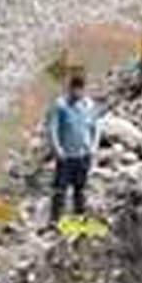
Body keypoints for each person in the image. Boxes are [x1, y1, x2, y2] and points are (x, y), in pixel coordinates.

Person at [46, 72, 101, 225]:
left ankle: (80, 220)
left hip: (83, 155)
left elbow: (96, 126)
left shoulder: (89, 105)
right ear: (70, 88)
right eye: (75, 89)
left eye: (81, 89)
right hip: (66, 156)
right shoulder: (60, 105)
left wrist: (94, 147)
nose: (78, 92)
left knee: (80, 189)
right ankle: (55, 221)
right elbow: (52, 128)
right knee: (60, 189)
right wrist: (57, 149)